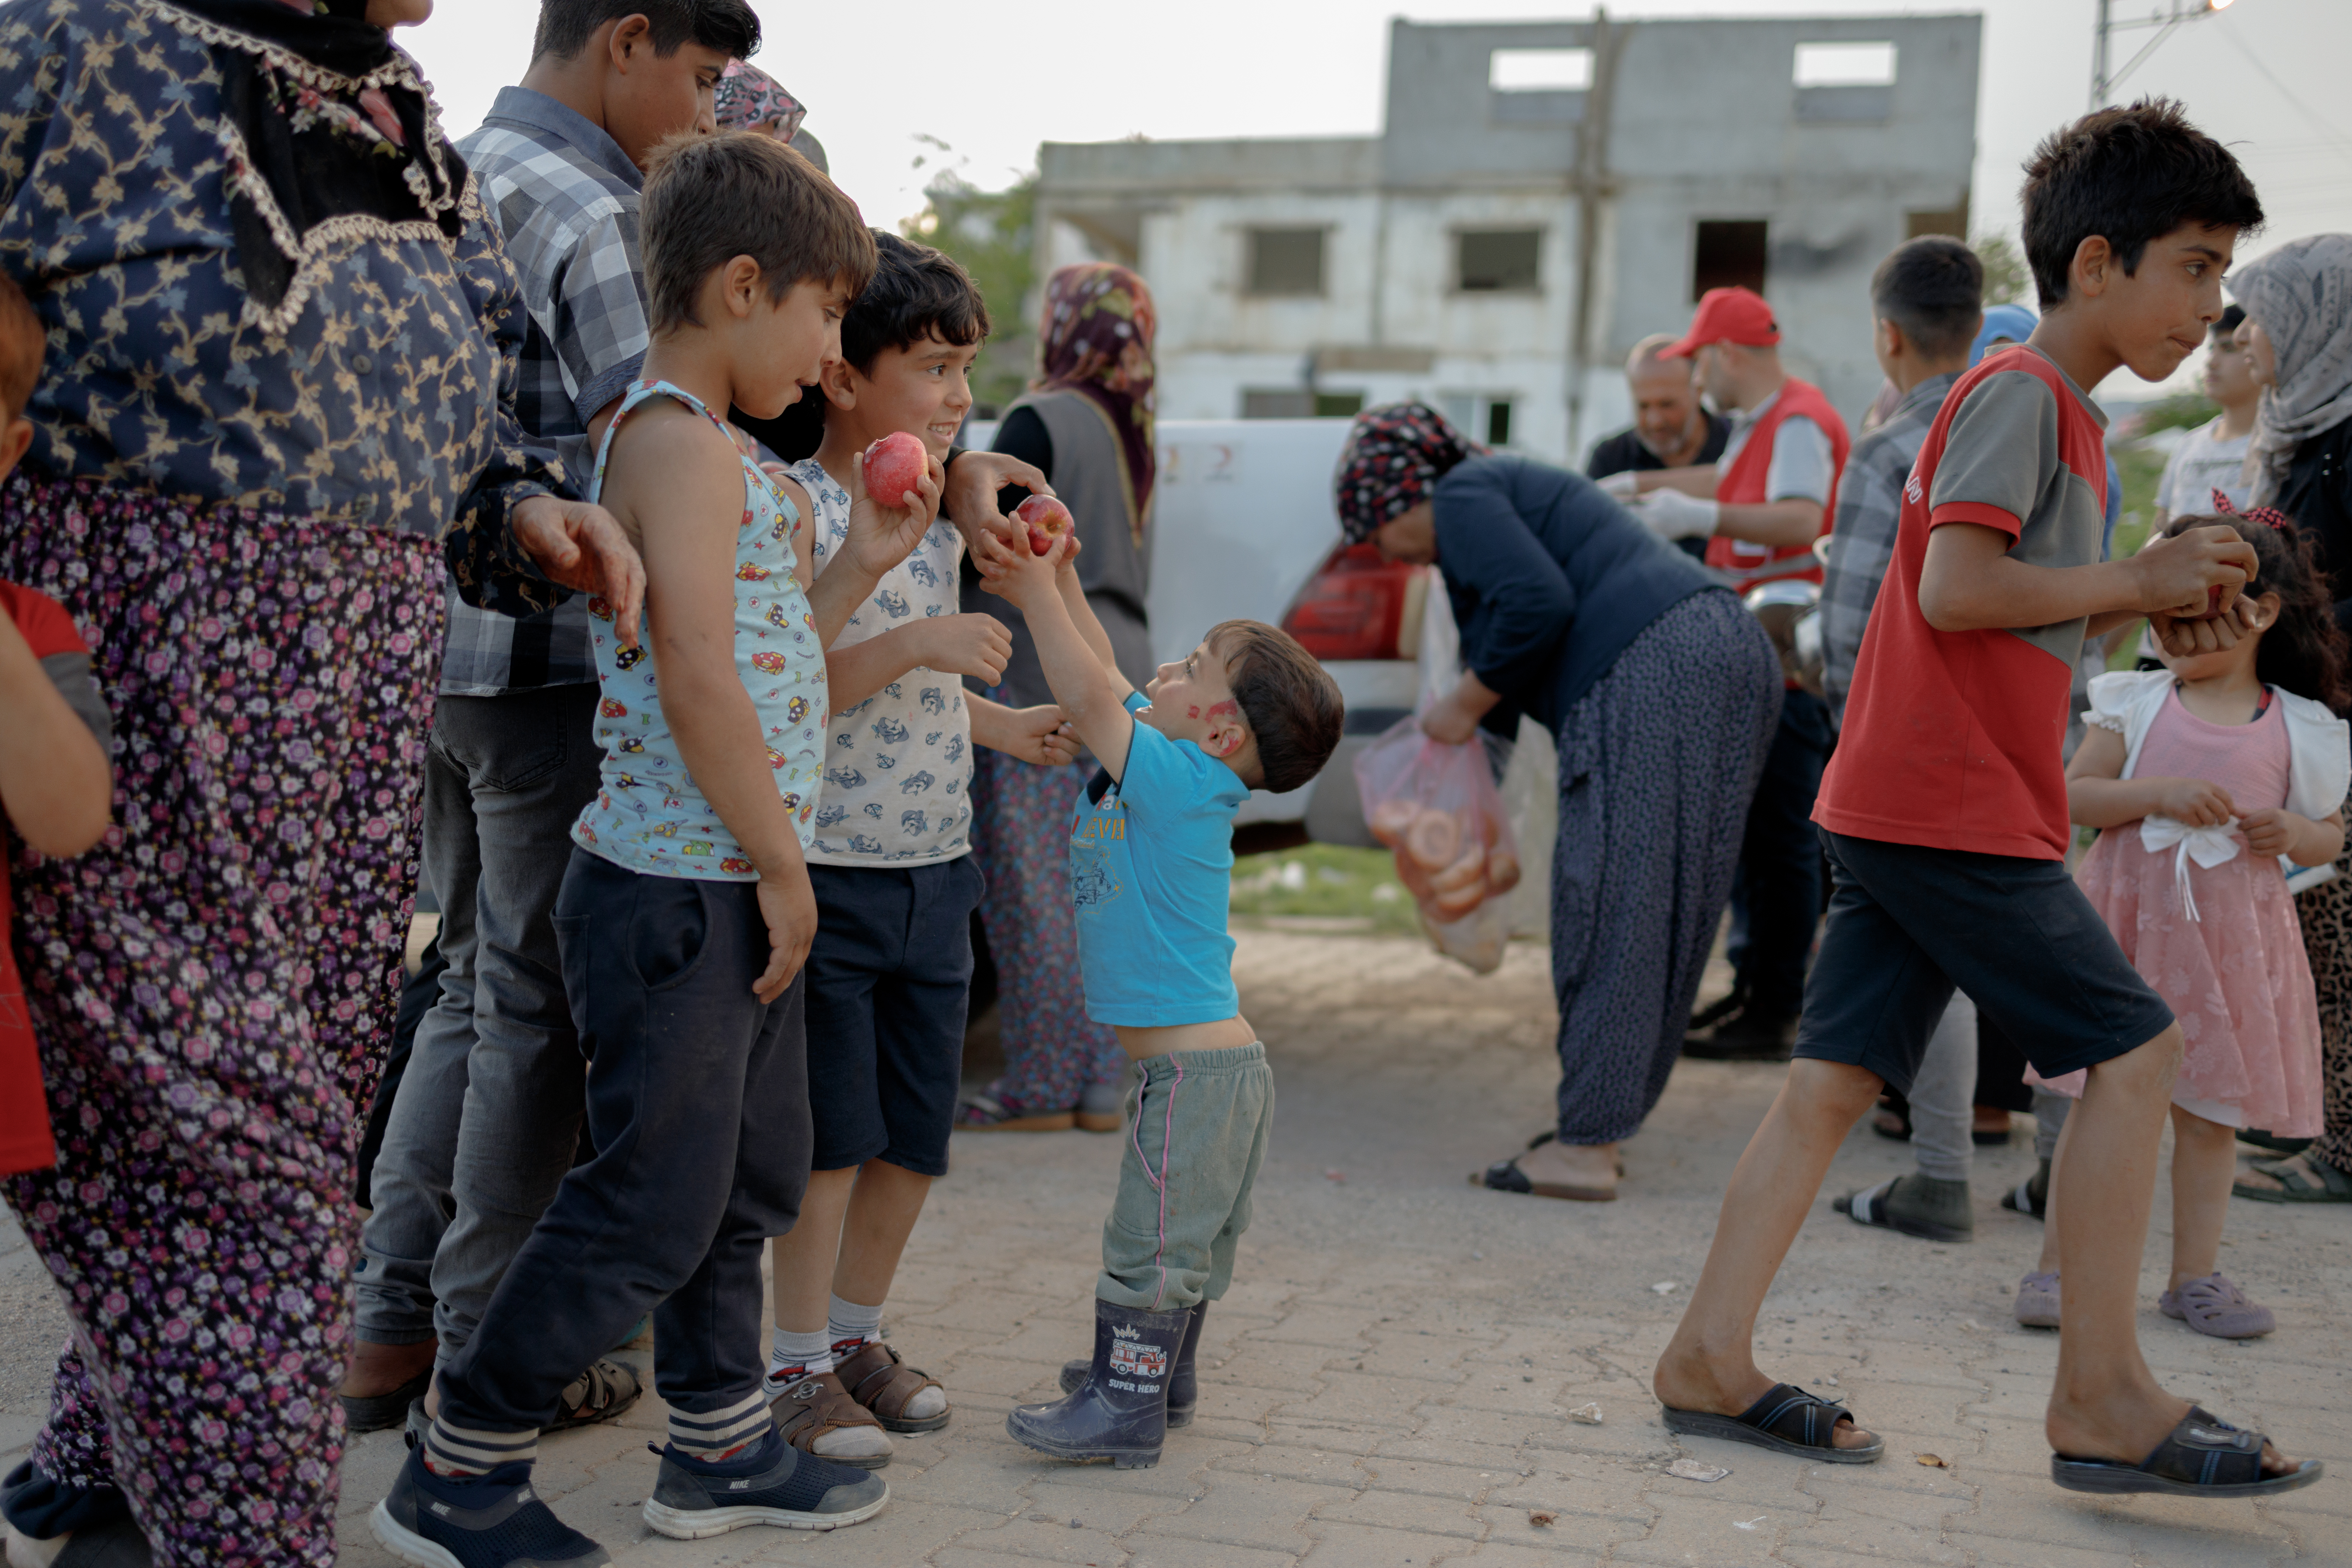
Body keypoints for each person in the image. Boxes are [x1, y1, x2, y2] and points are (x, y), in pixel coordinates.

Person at [0, 2, 650, 1561]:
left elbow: (471, 397)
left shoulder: (395, 104)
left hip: (350, 728)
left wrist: (517, 514)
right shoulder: (58, 39)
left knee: (279, 1133)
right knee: (241, 1195)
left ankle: (102, 1472)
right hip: (130, 711)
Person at [1653, 99, 2322, 1500]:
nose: (2207, 310)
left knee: (1830, 1085)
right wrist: (2131, 584)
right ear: (2093, 265)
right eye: (2191, 267)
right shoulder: (2017, 395)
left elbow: (2013, 615)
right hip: (1944, 805)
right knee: (2136, 1055)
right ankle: (2096, 1396)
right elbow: (1955, 591)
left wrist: (2151, 598)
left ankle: (1706, 1355)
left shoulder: (2065, 420)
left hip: (1923, 796)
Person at [373, 131, 926, 1564]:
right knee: (642, 1203)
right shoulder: (670, 440)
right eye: (823, 316)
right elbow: (692, 669)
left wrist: (862, 559)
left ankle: (716, 1442)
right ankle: (458, 1463)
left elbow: (769, 654)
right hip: (685, 893)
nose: (829, 353)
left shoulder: (724, 450)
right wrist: (788, 868)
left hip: (731, 884)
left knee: (743, 1179)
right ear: (745, 285)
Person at [345, 0, 761, 1444]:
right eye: (702, 78)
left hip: (429, 660)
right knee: (522, 1009)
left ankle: (386, 1322)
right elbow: (642, 461)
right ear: (625, 39)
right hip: (541, 666)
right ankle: (474, 1349)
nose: (706, 113)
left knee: (463, 984)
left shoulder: (452, 167)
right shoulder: (601, 217)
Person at [759, 231, 1078, 1468]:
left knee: (909, 1138)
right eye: (934, 369)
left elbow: (922, 697)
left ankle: (853, 1340)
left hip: (936, 877)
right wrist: (920, 645)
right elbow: (783, 686)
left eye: (964, 371)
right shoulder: (800, 511)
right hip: (831, 874)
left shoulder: (934, 514)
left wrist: (1007, 724)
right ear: (843, 374)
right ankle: (788, 1366)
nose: (956, 399)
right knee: (830, 1142)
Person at [968, 528, 1342, 1471]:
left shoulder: (1176, 780)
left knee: (1151, 1235)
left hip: (1194, 1073)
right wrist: (1056, 571)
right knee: (1188, 1233)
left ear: (1221, 733)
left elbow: (1089, 691)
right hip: (1204, 1070)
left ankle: (1123, 1406)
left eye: (1190, 665)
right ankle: (1155, 1376)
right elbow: (1103, 666)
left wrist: (1026, 593)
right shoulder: (1179, 758)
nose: (1165, 667)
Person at [1337, 407, 1779, 1203]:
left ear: (1402, 497)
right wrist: (1453, 815)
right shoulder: (1494, 501)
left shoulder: (1467, 490)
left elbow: (1537, 605)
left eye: (1372, 530)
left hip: (1653, 663)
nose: (1381, 553)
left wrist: (1460, 705)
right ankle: (1599, 1125)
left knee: (1610, 903)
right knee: (1664, 909)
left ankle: (1585, 1147)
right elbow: (1510, 666)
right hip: (1722, 647)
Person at [2012, 507, 2346, 1338]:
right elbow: (2068, 794)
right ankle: (2060, 1267)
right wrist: (2152, 795)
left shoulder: (2295, 726)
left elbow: (2327, 832)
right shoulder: (2133, 702)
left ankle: (2193, 1277)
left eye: (2187, 615)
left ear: (2259, 611)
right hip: (2127, 933)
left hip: (2229, 945)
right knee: (2099, 1104)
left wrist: (2290, 833)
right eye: (2158, 620)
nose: (2168, 637)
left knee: (2207, 1119)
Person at [1810, 236, 1991, 1245]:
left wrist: (1845, 736)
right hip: (2035, 735)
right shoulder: (2038, 431)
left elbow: (1848, 622)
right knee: (2037, 945)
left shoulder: (1890, 448)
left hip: (1915, 745)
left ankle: (1936, 1174)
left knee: (1931, 955)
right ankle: (2053, 1173)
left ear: (1886, 336)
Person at [1618, 287, 1852, 1060]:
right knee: (1760, 841)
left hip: (1787, 654)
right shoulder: (1771, 421)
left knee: (1781, 841)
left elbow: (1796, 516)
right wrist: (1631, 490)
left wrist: (1700, 520)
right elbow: (1725, 479)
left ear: (1725, 353)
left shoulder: (1791, 419)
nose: (1698, 385)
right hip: (1767, 651)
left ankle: (1773, 1008)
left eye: (1698, 361)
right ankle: (1754, 992)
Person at [960, 263, 1162, 1133]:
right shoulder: (1133, 428)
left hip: (1036, 666)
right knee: (1097, 893)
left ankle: (1041, 1084)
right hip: (1115, 659)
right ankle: (1092, 1084)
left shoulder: (1041, 418)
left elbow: (993, 543)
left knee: (1033, 893)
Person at [2227, 233, 2352, 1207]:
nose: (2249, 333)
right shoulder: (2303, 422)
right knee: (2310, 925)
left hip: (2343, 711)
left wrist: (2291, 620)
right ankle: (2311, 1116)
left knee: (2343, 936)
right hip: (2310, 704)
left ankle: (2342, 1146)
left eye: (2264, 312)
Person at [1587, 335, 1731, 562]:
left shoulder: (1736, 442)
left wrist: (1633, 487)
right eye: (1643, 406)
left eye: (1667, 405)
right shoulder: (1610, 458)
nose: (1655, 421)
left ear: (1698, 391)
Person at [2153, 305, 2258, 525]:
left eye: (2228, 349)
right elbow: (2160, 530)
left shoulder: (2278, 446)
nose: (2212, 362)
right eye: (2212, 349)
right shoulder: (2188, 446)